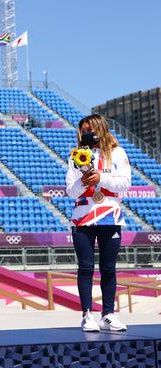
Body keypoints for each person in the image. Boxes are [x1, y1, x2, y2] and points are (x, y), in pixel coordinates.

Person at [65, 114, 131, 332]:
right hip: (83, 217)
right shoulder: (76, 155)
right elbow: (70, 191)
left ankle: (108, 314)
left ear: (101, 129)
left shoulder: (117, 153)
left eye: (90, 129)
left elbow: (124, 184)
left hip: (110, 216)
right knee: (85, 268)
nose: (87, 133)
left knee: (108, 268)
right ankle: (86, 315)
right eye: (83, 130)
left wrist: (100, 178)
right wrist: (84, 181)